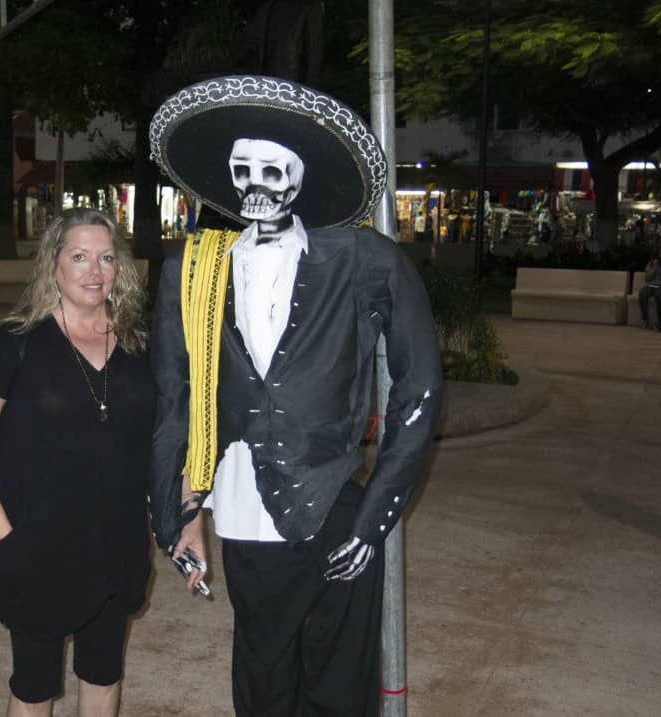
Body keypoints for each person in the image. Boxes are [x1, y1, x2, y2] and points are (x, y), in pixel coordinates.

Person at [147, 76, 443, 715]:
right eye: (242, 169)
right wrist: (176, 514)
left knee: (341, 686)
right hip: (245, 511)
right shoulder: (193, 268)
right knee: (263, 684)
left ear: (299, 180)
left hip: (341, 509)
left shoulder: (366, 260)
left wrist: (376, 518)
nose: (255, 183)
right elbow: (173, 396)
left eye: (272, 170)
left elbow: (418, 392)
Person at [0, 208, 152, 717]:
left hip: (118, 545)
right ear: (54, 266)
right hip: (37, 549)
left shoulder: (138, 344)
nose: (94, 271)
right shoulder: (15, 344)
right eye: (79, 257)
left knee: (103, 674)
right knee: (35, 686)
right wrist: (6, 540)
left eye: (106, 258)